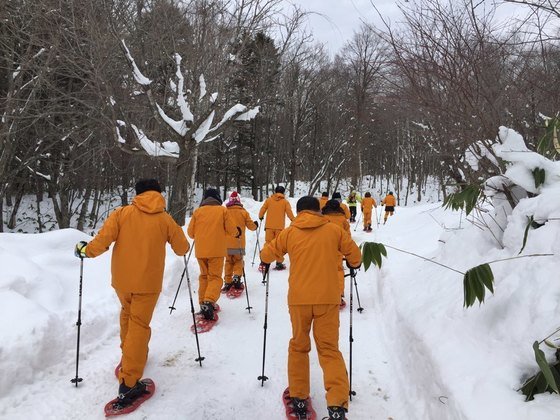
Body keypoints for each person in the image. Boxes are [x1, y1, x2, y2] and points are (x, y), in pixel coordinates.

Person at [74, 179, 189, 410]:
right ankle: (129, 383)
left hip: (122, 281)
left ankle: (128, 359)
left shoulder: (121, 214)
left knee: (128, 316)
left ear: (137, 194)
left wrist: (85, 250)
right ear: (158, 193)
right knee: (139, 325)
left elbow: (102, 242)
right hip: (147, 284)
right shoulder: (164, 219)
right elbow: (182, 248)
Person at [260, 196, 361, 420]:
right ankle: (337, 404)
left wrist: (266, 259)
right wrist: (354, 264)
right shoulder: (334, 230)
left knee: (299, 346)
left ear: (298, 212)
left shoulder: (290, 232)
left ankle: (298, 397)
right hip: (328, 298)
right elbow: (355, 255)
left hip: (299, 300)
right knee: (328, 349)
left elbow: (267, 253)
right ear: (319, 211)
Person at [187, 188, 238, 320]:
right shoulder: (222, 210)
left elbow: (190, 233)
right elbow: (232, 230)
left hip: (201, 251)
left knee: (204, 276)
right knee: (215, 277)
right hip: (216, 251)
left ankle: (203, 303)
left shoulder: (198, 212)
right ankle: (209, 302)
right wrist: (237, 232)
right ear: (217, 198)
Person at [222, 191, 258, 291]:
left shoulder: (225, 212)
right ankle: (237, 276)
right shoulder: (243, 212)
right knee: (239, 261)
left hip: (226, 244)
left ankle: (228, 282)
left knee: (228, 262)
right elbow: (251, 226)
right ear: (238, 201)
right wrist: (255, 226)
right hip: (239, 243)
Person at [321, 199, 351, 308]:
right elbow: (347, 237)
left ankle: (324, 294)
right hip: (338, 249)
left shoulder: (322, 218)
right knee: (338, 270)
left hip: (322, 249)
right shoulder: (343, 220)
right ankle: (338, 295)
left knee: (323, 270)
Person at [258, 185, 295, 270]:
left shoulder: (269, 200)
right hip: (279, 227)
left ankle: (263, 262)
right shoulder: (285, 202)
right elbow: (289, 212)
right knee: (278, 245)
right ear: (283, 192)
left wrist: (260, 216)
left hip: (269, 227)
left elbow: (263, 209)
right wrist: (294, 219)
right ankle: (279, 263)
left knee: (268, 243)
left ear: (275, 191)